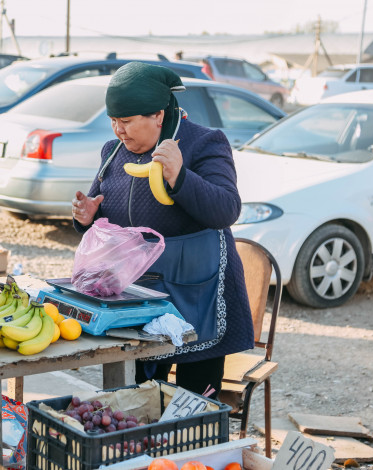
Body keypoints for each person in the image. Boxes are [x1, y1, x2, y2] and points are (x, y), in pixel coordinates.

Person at [72, 62, 254, 397]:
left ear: (158, 114)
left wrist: (180, 177)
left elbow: (227, 209)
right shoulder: (112, 152)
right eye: (113, 120)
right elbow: (107, 208)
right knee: (136, 394)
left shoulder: (205, 143)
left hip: (195, 289)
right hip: (138, 291)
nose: (119, 130)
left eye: (127, 121)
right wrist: (88, 216)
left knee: (194, 400)